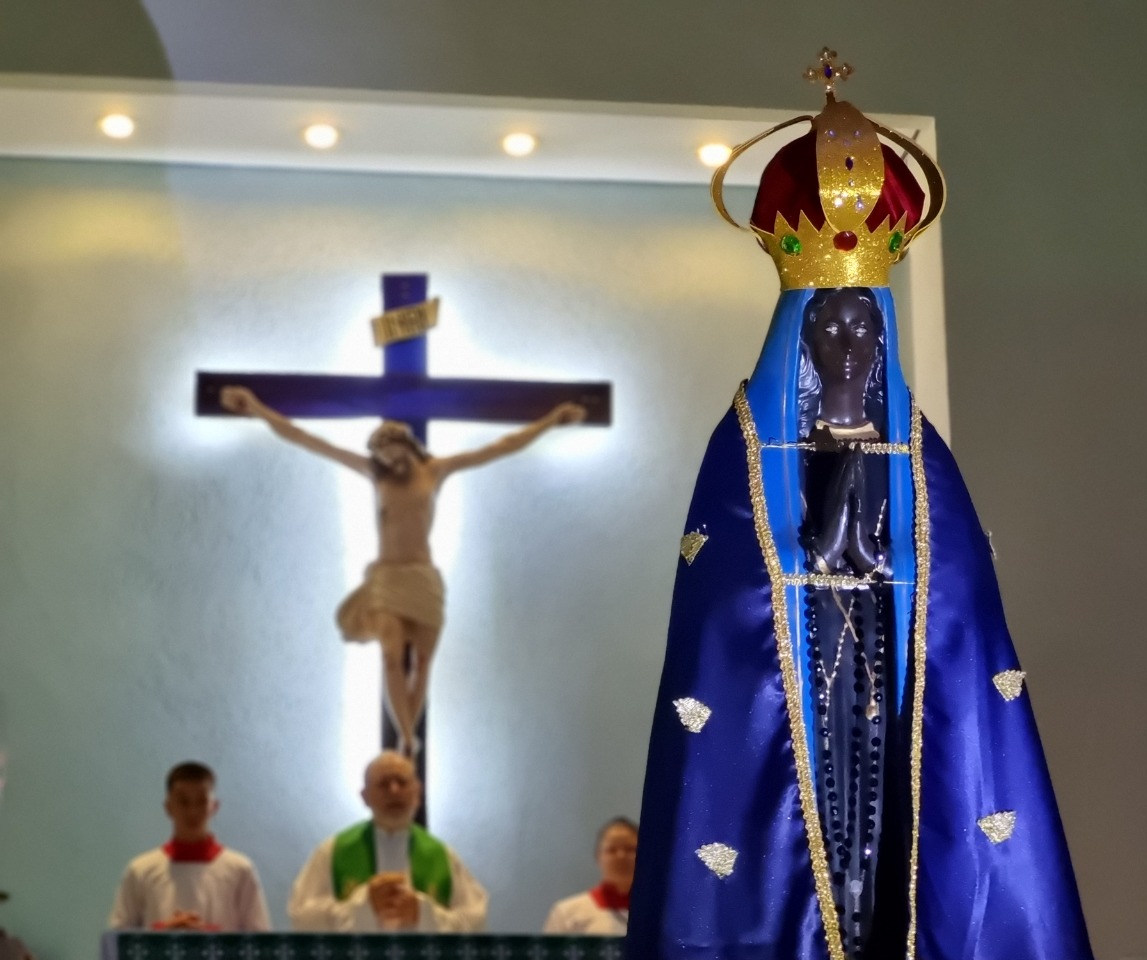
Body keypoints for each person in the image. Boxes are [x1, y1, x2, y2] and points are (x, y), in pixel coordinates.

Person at [627, 51, 1096, 960]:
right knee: (818, 851)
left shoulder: (920, 459)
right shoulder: (749, 452)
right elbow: (723, 603)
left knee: (891, 858)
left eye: (862, 323)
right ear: (798, 337)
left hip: (889, 683)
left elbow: (960, 610)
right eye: (827, 323)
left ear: (883, 334)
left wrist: (875, 567)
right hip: (801, 689)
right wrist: (810, 564)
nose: (846, 339)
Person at [220, 387, 585, 757]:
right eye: (381, 454)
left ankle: (409, 738)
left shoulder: (436, 470)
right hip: (388, 578)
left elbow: (501, 447)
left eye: (391, 450)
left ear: (407, 444)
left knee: (423, 664)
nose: (388, 459)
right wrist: (257, 408)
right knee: (391, 655)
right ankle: (407, 737)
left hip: (423, 578)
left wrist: (551, 420)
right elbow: (307, 439)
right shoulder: (375, 474)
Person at [289, 752, 487, 932]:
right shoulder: (333, 851)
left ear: (417, 792)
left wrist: (423, 913)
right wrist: (362, 908)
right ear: (365, 796)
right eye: (383, 783)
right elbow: (302, 918)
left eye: (402, 782)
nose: (394, 790)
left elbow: (475, 922)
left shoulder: (442, 855)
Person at [108, 762, 270, 932]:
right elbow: (118, 937)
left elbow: (259, 939)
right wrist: (164, 932)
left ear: (214, 806)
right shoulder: (140, 870)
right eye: (183, 801)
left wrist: (204, 936)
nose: (192, 812)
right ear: (168, 807)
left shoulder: (240, 870)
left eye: (201, 801)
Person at [543, 818, 637, 935]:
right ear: (598, 856)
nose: (621, 856)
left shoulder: (658, 910)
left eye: (630, 849)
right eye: (612, 850)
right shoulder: (566, 913)